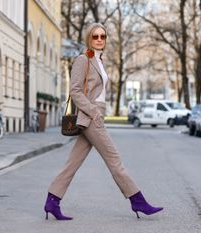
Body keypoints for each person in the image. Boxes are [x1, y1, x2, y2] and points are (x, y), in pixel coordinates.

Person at [44, 23, 163, 220]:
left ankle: (52, 200)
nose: (99, 40)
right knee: (114, 159)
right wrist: (93, 112)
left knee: (73, 162)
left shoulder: (99, 61)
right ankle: (137, 200)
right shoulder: (83, 60)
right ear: (88, 39)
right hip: (91, 116)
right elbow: (74, 90)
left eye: (103, 37)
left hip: (95, 114)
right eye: (95, 36)